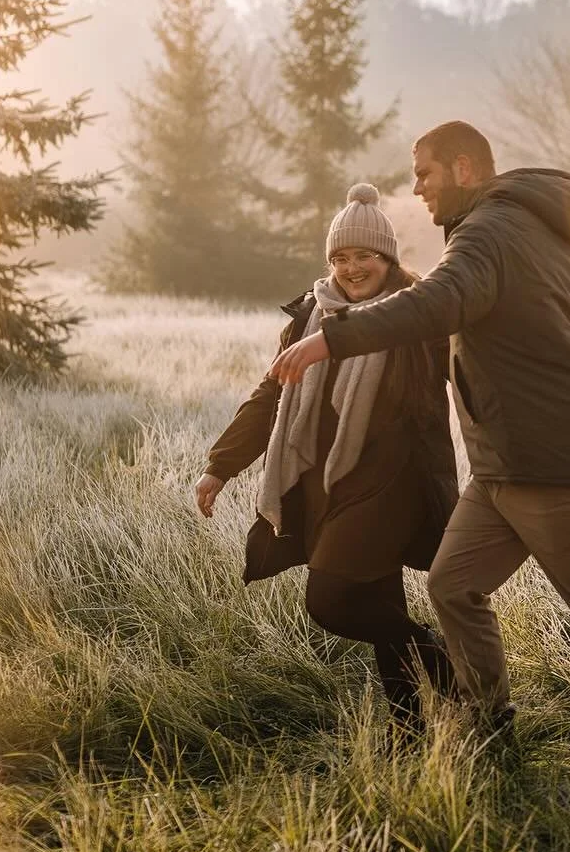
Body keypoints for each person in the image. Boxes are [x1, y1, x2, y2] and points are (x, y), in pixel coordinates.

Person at [269, 122, 570, 782]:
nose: (415, 186)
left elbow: (437, 302)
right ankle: (489, 726)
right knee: (454, 586)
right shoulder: (552, 230)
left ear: (463, 169)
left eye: (423, 172)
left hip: (559, 470)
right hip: (502, 471)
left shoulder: (487, 234)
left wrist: (330, 339)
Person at [195, 184, 458, 736]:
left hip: (392, 484)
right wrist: (221, 466)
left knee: (332, 601)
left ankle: (448, 665)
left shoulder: (419, 314)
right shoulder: (310, 314)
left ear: (386, 257)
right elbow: (270, 396)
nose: (352, 268)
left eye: (364, 256)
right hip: (327, 482)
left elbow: (479, 370)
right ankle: (410, 731)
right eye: (340, 257)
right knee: (378, 599)